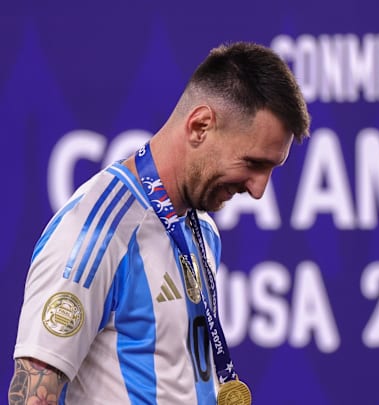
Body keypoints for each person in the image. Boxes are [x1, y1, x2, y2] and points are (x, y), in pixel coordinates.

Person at [9, 41, 310, 404]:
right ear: (200, 126)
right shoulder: (94, 230)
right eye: (253, 163)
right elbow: (32, 396)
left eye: (270, 170)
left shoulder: (201, 231)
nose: (259, 190)